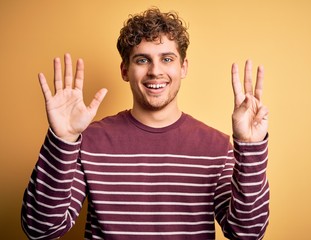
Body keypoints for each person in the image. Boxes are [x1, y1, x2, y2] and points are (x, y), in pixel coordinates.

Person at [21, 7, 270, 240]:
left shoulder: (216, 146)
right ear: (125, 70)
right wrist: (62, 140)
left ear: (183, 67)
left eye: (167, 59)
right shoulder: (89, 141)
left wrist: (250, 147)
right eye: (142, 60)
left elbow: (247, 233)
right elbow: (40, 228)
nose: (155, 71)